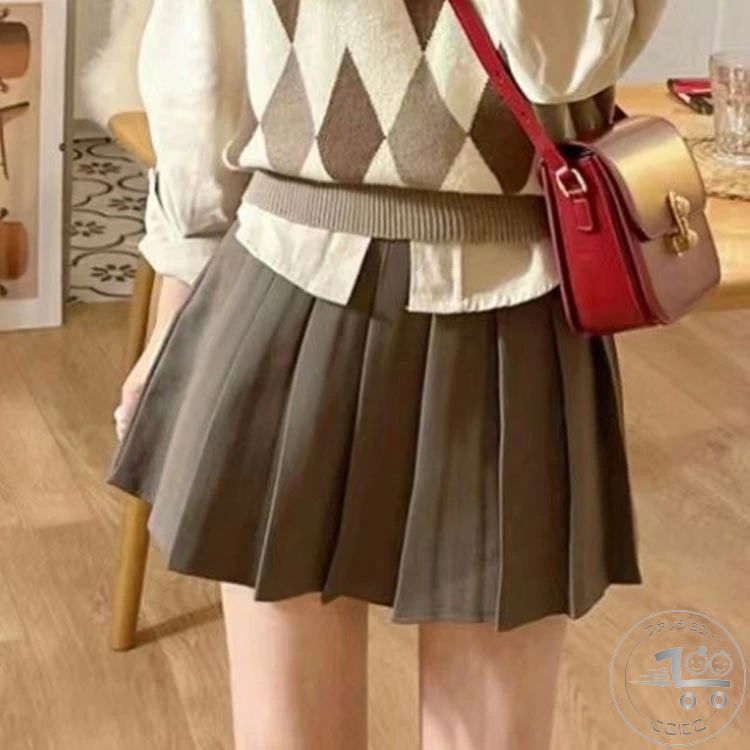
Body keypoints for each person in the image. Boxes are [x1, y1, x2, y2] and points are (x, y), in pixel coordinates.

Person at [106, 1, 667, 748]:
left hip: (511, 298)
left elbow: (562, 62)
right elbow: (202, 63)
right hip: (288, 276)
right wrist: (172, 316)